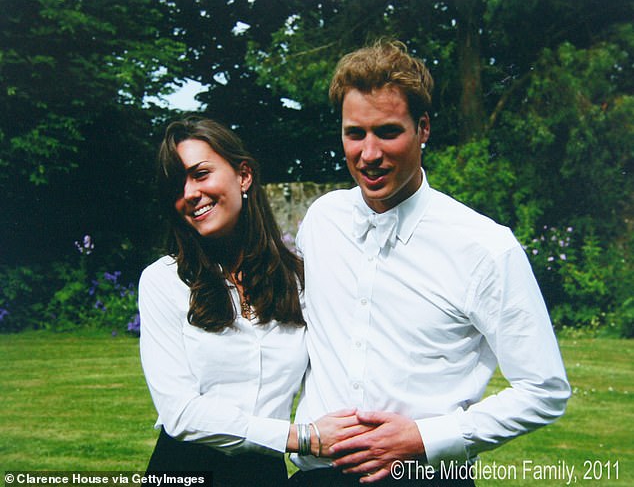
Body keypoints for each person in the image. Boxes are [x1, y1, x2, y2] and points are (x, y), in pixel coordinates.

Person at [290, 40, 571, 485]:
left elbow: (545, 390)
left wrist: (425, 437)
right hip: (316, 476)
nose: (368, 154)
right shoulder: (322, 221)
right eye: (354, 133)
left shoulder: (483, 246)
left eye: (387, 131)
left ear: (422, 129)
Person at [138, 117, 364, 486]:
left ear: (243, 176)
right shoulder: (164, 281)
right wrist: (301, 437)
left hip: (264, 476)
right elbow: (180, 414)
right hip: (184, 470)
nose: (190, 193)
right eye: (177, 184)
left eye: (200, 174)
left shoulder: (298, 281)